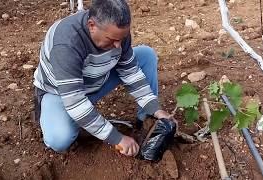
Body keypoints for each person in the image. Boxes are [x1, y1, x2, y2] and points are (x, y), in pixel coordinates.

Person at [33, 0, 175, 157]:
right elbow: (75, 102)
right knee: (59, 139)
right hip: (60, 92)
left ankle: (147, 119)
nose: (117, 45)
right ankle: (66, 119)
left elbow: (131, 72)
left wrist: (155, 109)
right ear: (92, 25)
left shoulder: (118, 34)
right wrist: (116, 138)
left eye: (122, 38)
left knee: (146, 55)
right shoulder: (66, 44)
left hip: (97, 79)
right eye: (112, 39)